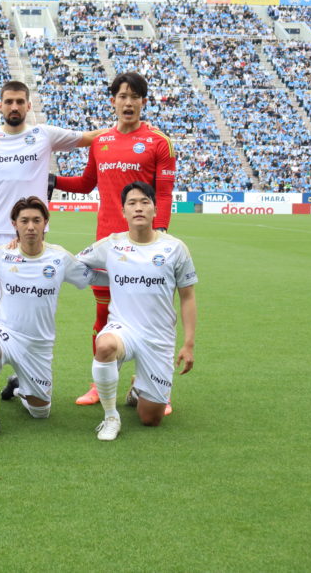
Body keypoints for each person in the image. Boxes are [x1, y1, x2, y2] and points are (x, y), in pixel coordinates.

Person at [50, 72, 177, 410]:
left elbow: (164, 193)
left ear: (144, 102)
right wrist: (52, 180)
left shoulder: (159, 142)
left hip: (145, 245)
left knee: (151, 317)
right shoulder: (101, 141)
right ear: (113, 101)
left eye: (135, 96)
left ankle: (154, 387)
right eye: (122, 96)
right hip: (107, 245)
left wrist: (160, 234)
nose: (128, 102)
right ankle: (99, 383)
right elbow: (85, 183)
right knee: (103, 316)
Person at [0, 80, 100, 339]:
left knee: (30, 303)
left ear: (29, 106)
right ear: (0, 105)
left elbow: (90, 138)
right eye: (9, 101)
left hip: (32, 234)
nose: (14, 106)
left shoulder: (44, 134)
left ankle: (22, 361)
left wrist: (134, 127)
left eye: (20, 102)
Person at [0, 196, 99, 441]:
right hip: (6, 333)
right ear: (14, 224)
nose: (30, 226)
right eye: (24, 221)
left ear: (45, 223)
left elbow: (91, 277)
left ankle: (17, 387)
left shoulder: (60, 257)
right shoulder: (2, 255)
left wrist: (128, 275)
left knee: (40, 412)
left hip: (38, 344)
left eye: (36, 220)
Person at [75, 181, 197, 441]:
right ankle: (111, 417)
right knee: (104, 345)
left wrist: (188, 344)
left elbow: (187, 296)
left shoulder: (175, 248)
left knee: (151, 419)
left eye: (144, 202)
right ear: (123, 212)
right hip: (124, 329)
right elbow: (74, 265)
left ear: (155, 209)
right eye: (132, 203)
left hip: (158, 337)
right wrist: (102, 278)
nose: (138, 208)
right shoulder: (111, 244)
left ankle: (136, 391)